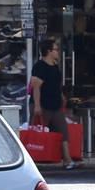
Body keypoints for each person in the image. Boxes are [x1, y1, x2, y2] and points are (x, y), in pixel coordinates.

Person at [29, 38, 75, 169]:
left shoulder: (55, 67)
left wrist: (62, 97)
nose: (58, 52)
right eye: (56, 49)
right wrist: (37, 105)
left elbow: (56, 85)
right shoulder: (39, 67)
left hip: (56, 105)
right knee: (38, 133)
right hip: (43, 105)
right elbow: (36, 87)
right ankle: (35, 158)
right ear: (49, 51)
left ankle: (67, 159)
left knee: (63, 130)